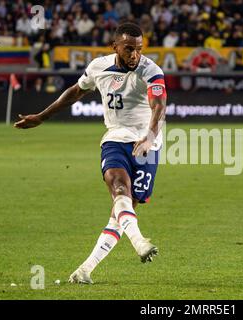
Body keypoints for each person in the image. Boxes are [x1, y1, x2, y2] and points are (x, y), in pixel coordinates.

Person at [14, 23, 166, 284]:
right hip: (116, 139)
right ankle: (139, 241)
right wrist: (41, 116)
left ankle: (85, 269)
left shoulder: (150, 70)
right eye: (129, 49)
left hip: (148, 145)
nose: (134, 55)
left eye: (139, 49)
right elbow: (75, 92)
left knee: (122, 211)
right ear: (115, 46)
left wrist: (149, 138)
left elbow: (159, 105)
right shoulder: (99, 67)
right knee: (119, 188)